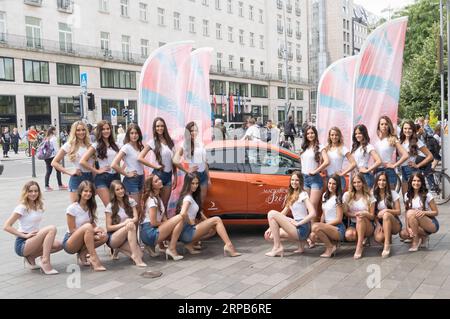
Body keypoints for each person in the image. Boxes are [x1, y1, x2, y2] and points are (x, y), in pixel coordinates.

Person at [176, 172, 241, 257]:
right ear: (187, 183)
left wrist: (208, 223)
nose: (195, 185)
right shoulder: (188, 198)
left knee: (212, 230)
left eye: (197, 183)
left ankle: (190, 244)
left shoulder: (191, 196)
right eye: (192, 183)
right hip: (188, 232)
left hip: (188, 232)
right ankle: (229, 245)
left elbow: (199, 212)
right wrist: (191, 223)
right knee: (217, 219)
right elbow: (183, 213)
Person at [3, 181, 62, 274]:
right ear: (25, 192)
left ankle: (31, 257)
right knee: (52, 228)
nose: (33, 193)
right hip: (23, 243)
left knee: (59, 245)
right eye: (30, 191)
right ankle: (45, 262)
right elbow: (6, 226)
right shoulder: (22, 207)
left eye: (36, 191)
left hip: (34, 238)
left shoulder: (38, 205)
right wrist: (24, 235)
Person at [264, 171, 316, 256]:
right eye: (292, 180)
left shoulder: (303, 194)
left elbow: (313, 213)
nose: (294, 182)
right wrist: (270, 228)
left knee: (271, 213)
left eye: (297, 180)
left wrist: (299, 223)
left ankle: (277, 247)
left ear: (301, 182)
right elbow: (283, 213)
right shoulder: (291, 194)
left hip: (302, 228)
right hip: (296, 227)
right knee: (270, 236)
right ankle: (301, 243)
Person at [62, 181, 108, 271]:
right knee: (87, 226)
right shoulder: (72, 208)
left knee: (104, 236)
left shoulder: (90, 206)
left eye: (90, 191)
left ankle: (83, 254)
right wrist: (93, 230)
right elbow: (72, 230)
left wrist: (99, 230)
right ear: (80, 192)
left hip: (84, 238)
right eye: (85, 191)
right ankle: (94, 258)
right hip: (70, 242)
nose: (88, 193)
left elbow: (93, 225)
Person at [140, 174, 185, 260]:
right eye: (156, 181)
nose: (160, 181)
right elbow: (153, 223)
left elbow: (163, 216)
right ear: (152, 186)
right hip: (149, 232)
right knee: (180, 217)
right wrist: (168, 223)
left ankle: (167, 247)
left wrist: (169, 224)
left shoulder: (157, 198)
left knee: (178, 223)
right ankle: (171, 249)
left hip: (150, 231)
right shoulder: (152, 201)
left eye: (159, 179)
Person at [138, 117, 177, 211]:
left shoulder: (170, 142)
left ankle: (164, 224)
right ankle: (155, 224)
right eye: (157, 126)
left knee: (164, 205)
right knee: (155, 204)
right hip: (157, 176)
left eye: (162, 126)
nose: (160, 128)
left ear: (165, 127)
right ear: (155, 128)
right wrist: (154, 166)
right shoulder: (152, 142)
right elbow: (140, 157)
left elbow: (174, 161)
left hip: (168, 176)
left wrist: (175, 176)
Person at [105, 180, 146, 267]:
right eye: (117, 190)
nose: (121, 191)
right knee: (130, 226)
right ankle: (135, 257)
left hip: (126, 236)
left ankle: (120, 249)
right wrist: (125, 223)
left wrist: (129, 221)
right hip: (114, 238)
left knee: (141, 254)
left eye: (122, 188)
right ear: (113, 192)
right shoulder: (110, 206)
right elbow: (108, 228)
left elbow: (136, 217)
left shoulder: (130, 201)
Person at [80, 120, 120, 207]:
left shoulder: (116, 145)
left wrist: (122, 170)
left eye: (108, 128)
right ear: (99, 131)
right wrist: (97, 171)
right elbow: (82, 161)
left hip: (116, 177)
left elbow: (126, 158)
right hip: (102, 178)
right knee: (110, 207)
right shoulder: (96, 145)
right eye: (103, 129)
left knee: (117, 207)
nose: (106, 131)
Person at [51, 121, 94, 203]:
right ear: (74, 132)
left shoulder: (90, 144)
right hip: (77, 178)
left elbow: (95, 164)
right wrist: (69, 172)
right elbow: (54, 162)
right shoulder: (69, 145)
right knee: (76, 208)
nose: (81, 132)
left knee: (89, 209)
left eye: (83, 130)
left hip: (90, 178)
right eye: (78, 130)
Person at [400, 172, 439, 252]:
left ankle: (415, 241)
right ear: (410, 182)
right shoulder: (407, 195)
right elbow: (406, 213)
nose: (416, 183)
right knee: (403, 234)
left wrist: (424, 212)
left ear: (422, 182)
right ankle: (423, 237)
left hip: (430, 223)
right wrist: (407, 227)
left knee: (411, 213)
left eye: (418, 181)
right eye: (414, 181)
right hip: (414, 222)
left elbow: (436, 212)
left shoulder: (427, 195)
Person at [174, 121, 211, 204]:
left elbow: (205, 162)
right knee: (190, 202)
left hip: (203, 176)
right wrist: (186, 170)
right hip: (193, 176)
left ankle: (198, 217)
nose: (194, 132)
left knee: (201, 202)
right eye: (191, 131)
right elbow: (175, 160)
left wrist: (208, 178)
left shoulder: (201, 143)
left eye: (195, 130)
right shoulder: (185, 144)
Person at [309, 174, 345, 258]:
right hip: (327, 226)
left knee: (315, 227)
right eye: (329, 183)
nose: (331, 186)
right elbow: (323, 214)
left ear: (338, 185)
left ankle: (330, 247)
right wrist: (320, 225)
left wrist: (322, 226)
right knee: (312, 235)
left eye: (334, 184)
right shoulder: (325, 195)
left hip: (338, 228)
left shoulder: (338, 198)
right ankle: (332, 243)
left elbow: (339, 219)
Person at [111, 123, 145, 211]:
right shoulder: (126, 147)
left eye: (136, 133)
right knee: (135, 208)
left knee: (140, 207)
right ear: (128, 134)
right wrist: (126, 174)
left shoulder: (140, 146)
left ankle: (137, 225)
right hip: (131, 181)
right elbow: (114, 164)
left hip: (141, 178)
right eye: (132, 133)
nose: (134, 135)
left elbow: (131, 161)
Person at [343, 173, 376, 259]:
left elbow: (372, 216)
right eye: (354, 182)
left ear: (363, 183)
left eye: (359, 182)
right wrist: (355, 214)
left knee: (360, 218)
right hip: (354, 224)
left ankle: (359, 246)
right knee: (349, 235)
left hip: (367, 224)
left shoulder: (369, 195)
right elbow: (346, 212)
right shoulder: (347, 195)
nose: (357, 184)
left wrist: (365, 214)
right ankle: (362, 238)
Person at [300, 125, 329, 216]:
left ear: (315, 134)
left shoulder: (320, 146)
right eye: (308, 133)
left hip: (315, 179)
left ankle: (313, 229)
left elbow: (327, 161)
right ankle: (308, 229)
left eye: (312, 133)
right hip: (304, 179)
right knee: (306, 207)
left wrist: (316, 171)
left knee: (312, 207)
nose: (310, 135)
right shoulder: (305, 147)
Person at [372, 172, 402, 258]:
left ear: (387, 182)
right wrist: (377, 224)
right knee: (378, 238)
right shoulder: (373, 194)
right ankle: (387, 238)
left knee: (386, 215)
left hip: (394, 222)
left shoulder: (393, 193)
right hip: (380, 222)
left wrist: (386, 210)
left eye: (384, 180)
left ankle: (387, 245)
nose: (381, 182)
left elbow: (398, 211)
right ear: (376, 182)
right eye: (379, 180)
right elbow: (372, 213)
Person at [399, 120, 433, 195]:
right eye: (405, 128)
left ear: (413, 130)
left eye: (409, 128)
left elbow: (430, 156)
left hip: (412, 170)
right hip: (403, 170)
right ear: (402, 129)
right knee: (405, 196)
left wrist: (417, 165)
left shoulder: (416, 141)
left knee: (414, 196)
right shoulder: (400, 141)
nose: (407, 130)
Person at [374, 116, 409, 189]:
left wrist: (394, 165)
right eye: (382, 124)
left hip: (388, 171)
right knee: (378, 197)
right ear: (379, 126)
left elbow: (405, 155)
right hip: (377, 171)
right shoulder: (376, 141)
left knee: (390, 197)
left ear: (389, 126)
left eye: (386, 124)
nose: (384, 126)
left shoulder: (392, 139)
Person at [351, 124, 381, 189]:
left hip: (365, 176)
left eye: (359, 133)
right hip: (356, 176)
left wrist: (367, 170)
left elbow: (379, 161)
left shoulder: (368, 146)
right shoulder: (356, 147)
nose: (357, 135)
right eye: (356, 134)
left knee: (366, 198)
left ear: (364, 134)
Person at [43, 126, 67, 191]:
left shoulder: (46, 138)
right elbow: (56, 150)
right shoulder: (54, 138)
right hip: (53, 156)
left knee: (48, 171)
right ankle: (60, 185)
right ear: (53, 131)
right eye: (55, 130)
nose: (56, 131)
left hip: (46, 157)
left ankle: (46, 186)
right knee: (58, 171)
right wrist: (59, 159)